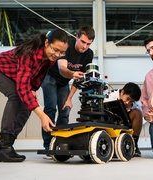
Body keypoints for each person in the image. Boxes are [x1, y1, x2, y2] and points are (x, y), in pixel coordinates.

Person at [0, 29, 69, 162]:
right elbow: (22, 88)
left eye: (62, 52)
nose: (57, 54)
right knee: (16, 96)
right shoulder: (28, 53)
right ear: (47, 43)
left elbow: (39, 76)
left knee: (27, 105)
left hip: (15, 77)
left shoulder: (50, 60)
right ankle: (3, 145)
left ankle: (7, 145)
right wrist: (42, 115)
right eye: (55, 49)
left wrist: (33, 89)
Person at [41, 26, 95, 159]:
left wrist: (69, 98)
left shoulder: (89, 54)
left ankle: (61, 144)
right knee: (50, 108)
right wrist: (72, 73)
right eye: (82, 42)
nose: (84, 46)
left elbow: (78, 79)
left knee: (65, 110)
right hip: (50, 78)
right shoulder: (66, 47)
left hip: (64, 83)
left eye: (88, 44)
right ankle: (49, 146)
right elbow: (62, 69)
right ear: (76, 37)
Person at [104, 82, 143, 157]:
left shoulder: (134, 105)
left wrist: (128, 110)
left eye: (131, 101)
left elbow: (139, 116)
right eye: (127, 99)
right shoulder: (110, 96)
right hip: (109, 123)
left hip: (124, 123)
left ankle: (134, 145)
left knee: (138, 113)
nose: (128, 102)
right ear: (122, 92)